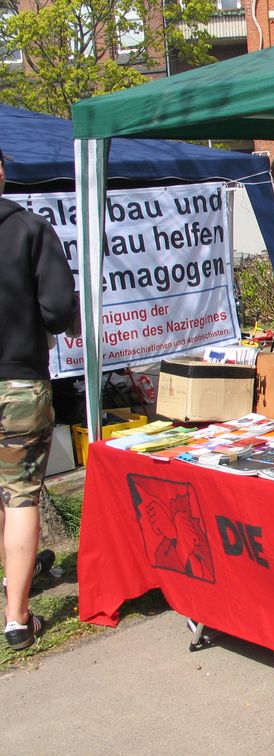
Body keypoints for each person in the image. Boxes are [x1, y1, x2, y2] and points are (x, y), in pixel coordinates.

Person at [0, 147, 78, 650]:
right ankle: (17, 616)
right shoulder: (29, 228)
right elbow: (56, 309)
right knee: (22, 493)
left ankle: (12, 587)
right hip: (18, 381)